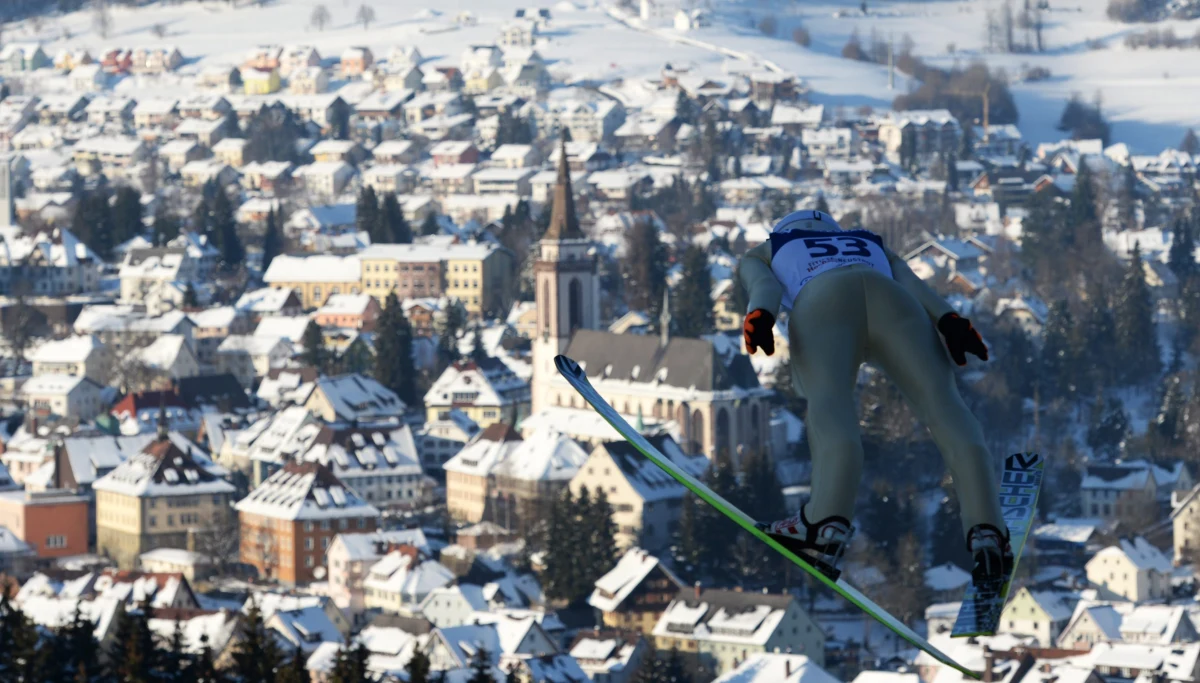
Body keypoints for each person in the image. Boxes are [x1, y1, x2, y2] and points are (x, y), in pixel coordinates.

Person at [739, 209, 1011, 584]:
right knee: (944, 404)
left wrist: (761, 315)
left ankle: (825, 523)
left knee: (829, 403)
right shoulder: (868, 242)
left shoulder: (770, 248)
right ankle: (987, 528)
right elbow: (915, 286)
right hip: (894, 302)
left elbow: (764, 288)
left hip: (822, 300)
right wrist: (949, 319)